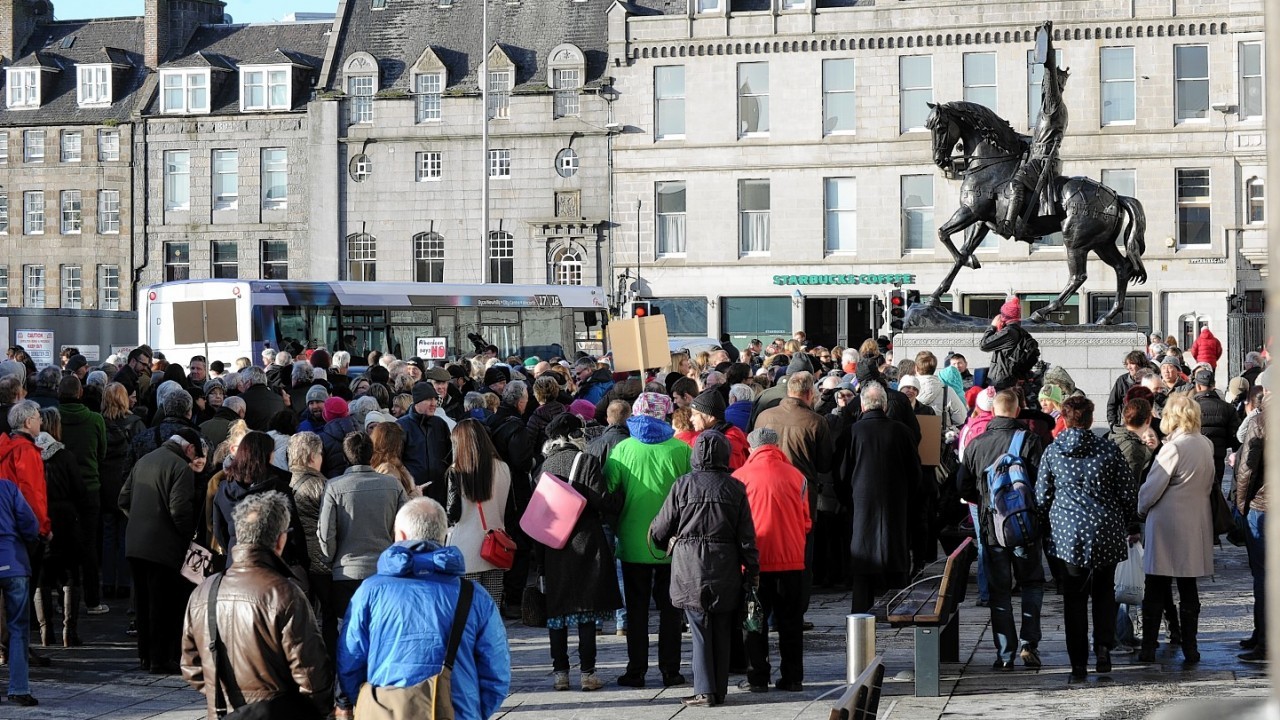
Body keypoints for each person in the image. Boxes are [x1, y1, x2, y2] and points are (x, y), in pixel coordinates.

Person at [338, 498, 510, 719]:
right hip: (457, 711)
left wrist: (362, 704)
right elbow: (497, 672)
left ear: (400, 536)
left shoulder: (369, 592)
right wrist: (472, 712)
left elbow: (350, 661)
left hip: (386, 711)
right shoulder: (474, 596)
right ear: (443, 536)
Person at [180, 491, 332, 719]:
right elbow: (312, 676)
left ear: (239, 534)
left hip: (223, 713)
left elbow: (191, 667)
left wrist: (222, 696)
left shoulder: (203, 591)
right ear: (281, 540)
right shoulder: (285, 593)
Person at [650, 431, 759, 707]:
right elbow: (747, 536)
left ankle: (705, 690)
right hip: (726, 565)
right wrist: (753, 570)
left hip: (689, 566)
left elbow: (660, 529)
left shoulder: (682, 485)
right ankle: (718, 689)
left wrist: (668, 542)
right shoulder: (735, 488)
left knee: (698, 627)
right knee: (722, 626)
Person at [1036, 396, 1133, 682]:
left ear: (1065, 419)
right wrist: (1126, 520)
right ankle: (1103, 648)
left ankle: (1078, 662)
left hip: (1068, 534)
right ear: (1090, 419)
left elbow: (1042, 496)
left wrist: (1046, 526)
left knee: (1074, 599)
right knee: (1104, 592)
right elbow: (1128, 491)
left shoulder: (1053, 452)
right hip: (1105, 529)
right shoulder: (1108, 449)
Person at [604, 392, 692, 689]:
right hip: (672, 543)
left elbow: (609, 488)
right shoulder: (680, 450)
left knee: (637, 611)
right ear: (664, 414)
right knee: (671, 610)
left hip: (632, 540)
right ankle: (671, 670)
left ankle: (636, 670)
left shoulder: (622, 449)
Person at [532, 413, 622, 692]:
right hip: (585, 543)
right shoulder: (586, 461)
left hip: (553, 547)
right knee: (585, 610)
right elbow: (602, 500)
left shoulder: (542, 468)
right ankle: (587, 673)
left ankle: (560, 674)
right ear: (574, 435)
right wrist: (620, 494)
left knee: (557, 614)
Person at [317, 430, 408, 704]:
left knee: (350, 637)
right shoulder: (393, 486)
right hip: (384, 572)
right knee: (384, 632)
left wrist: (331, 558)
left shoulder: (335, 486)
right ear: (372, 454)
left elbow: (326, 535)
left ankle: (348, 696)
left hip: (346, 573)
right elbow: (404, 529)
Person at [960, 389, 1046, 670]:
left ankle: (1005, 653)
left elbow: (962, 487)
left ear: (993, 411)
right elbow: (1042, 485)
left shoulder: (977, 443)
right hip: (1025, 527)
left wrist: (987, 501)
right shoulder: (1031, 440)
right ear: (1018, 410)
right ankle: (1029, 644)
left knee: (999, 591)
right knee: (1032, 583)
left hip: (992, 528)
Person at [1136, 393, 1215, 665]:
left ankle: (1148, 646)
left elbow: (1151, 489)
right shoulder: (1205, 444)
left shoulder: (1174, 447)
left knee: (1156, 587)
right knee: (1188, 586)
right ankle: (1190, 646)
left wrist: (1140, 509)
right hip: (1195, 522)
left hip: (1167, 525)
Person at [119, 427, 206, 675]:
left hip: (135, 545)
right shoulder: (180, 467)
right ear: (189, 448)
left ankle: (145, 655)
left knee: (143, 602)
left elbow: (123, 499)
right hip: (163, 547)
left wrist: (139, 520)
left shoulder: (144, 460)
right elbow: (180, 511)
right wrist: (187, 536)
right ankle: (160, 659)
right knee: (161, 603)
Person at [734, 427, 809, 693]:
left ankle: (757, 678)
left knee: (754, 621)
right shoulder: (797, 476)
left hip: (754, 562)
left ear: (752, 449)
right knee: (791, 622)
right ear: (777, 447)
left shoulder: (739, 477)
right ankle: (793, 677)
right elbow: (806, 521)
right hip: (791, 561)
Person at [837, 382, 923, 613]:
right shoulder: (902, 432)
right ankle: (899, 610)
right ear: (884, 406)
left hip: (861, 506)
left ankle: (862, 611)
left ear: (863, 406)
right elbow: (916, 473)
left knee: (863, 566)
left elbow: (841, 474)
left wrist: (848, 500)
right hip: (896, 505)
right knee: (896, 560)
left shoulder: (851, 433)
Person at [1004, 20, 1068, 240]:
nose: (1043, 86)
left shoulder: (1053, 105)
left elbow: (1049, 71)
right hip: (1039, 155)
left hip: (1041, 161)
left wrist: (1047, 42)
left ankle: (1009, 226)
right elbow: (1038, 138)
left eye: (1046, 85)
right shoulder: (1052, 109)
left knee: (1015, 183)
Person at [32, 408, 91, 647]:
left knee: (42, 577)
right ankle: (70, 632)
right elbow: (80, 490)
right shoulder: (65, 456)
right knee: (70, 575)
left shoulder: (31, 454)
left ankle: (46, 632)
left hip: (40, 515)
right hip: (65, 518)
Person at [211, 432, 309, 568]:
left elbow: (219, 530)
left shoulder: (224, 489)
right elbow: (294, 530)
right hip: (272, 562)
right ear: (266, 455)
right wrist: (302, 562)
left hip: (236, 561)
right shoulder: (279, 488)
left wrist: (232, 548)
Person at [444, 418, 513, 606]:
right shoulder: (503, 468)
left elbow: (453, 513)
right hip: (496, 547)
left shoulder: (457, 471)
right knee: (491, 609)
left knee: (467, 611)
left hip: (465, 549)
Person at [0, 468, 39, 706]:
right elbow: (29, 523)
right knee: (18, 629)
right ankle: (19, 688)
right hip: (13, 561)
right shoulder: (7, 487)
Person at [1235, 395, 1267, 663]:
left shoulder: (1261, 420)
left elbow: (1247, 468)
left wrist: (1241, 505)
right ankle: (1261, 634)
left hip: (1264, 506)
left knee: (1264, 576)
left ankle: (1266, 641)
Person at [287, 432, 331, 616]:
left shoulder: (285, 481)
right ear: (313, 456)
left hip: (296, 557)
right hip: (320, 558)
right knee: (326, 613)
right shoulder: (322, 486)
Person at [399, 382, 454, 506]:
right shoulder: (401, 426)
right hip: (413, 493)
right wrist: (409, 485)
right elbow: (396, 461)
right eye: (429, 399)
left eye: (435, 399)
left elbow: (449, 456)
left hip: (439, 492)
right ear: (417, 401)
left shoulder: (440, 424)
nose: (434, 403)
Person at [979, 297, 1039, 390]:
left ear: (1003, 316)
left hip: (1001, 381)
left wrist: (993, 326)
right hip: (1012, 378)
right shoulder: (1021, 332)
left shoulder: (1008, 332)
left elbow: (983, 345)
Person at [1108, 351, 1150, 428]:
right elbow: (1112, 404)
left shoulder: (1151, 380)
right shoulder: (1122, 380)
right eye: (1127, 364)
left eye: (1132, 363)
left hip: (1146, 426)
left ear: (1141, 364)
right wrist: (1113, 424)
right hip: (1125, 426)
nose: (1129, 367)